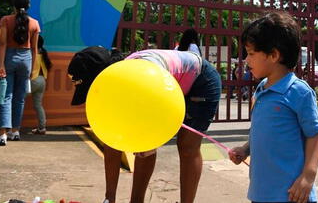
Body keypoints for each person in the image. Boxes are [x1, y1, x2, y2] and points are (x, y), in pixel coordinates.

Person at [68, 46, 222, 203]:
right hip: (170, 86)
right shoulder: (118, 84)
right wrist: (109, 198)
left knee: (186, 146)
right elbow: (111, 143)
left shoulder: (142, 74)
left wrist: (150, 137)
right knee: (119, 137)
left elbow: (157, 114)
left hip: (201, 81)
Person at [229, 12, 318, 203]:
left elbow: (314, 135)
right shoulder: (261, 90)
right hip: (261, 192)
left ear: (273, 55)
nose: (246, 60)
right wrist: (246, 149)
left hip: (292, 194)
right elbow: (262, 131)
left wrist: (307, 177)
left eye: (251, 53)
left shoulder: (299, 92)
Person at [0, 0, 40, 145]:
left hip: (9, 57)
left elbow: (2, 44)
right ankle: (15, 131)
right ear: (28, 6)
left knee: (5, 95)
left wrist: (1, 64)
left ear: (14, 6)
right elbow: (34, 49)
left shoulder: (6, 20)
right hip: (26, 59)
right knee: (20, 98)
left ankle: (2, 134)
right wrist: (33, 68)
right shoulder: (34, 23)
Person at [28, 35, 52, 135]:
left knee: (17, 102)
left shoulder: (32, 53)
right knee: (38, 105)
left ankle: (12, 127)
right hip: (42, 80)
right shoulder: (43, 52)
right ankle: (42, 128)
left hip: (33, 80)